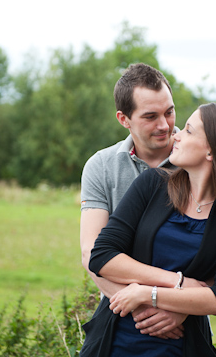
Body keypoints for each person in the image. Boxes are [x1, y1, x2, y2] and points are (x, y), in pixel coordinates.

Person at [81, 103, 216, 357]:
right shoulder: (152, 185)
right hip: (115, 342)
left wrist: (149, 294)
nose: (175, 134)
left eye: (188, 131)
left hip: (182, 345)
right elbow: (102, 256)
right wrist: (177, 282)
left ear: (211, 151)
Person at [80, 63, 188, 339]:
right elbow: (91, 252)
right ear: (123, 119)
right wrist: (142, 309)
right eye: (150, 116)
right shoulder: (101, 166)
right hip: (121, 317)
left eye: (169, 112)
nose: (164, 125)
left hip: (181, 323)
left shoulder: (196, 162)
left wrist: (179, 308)